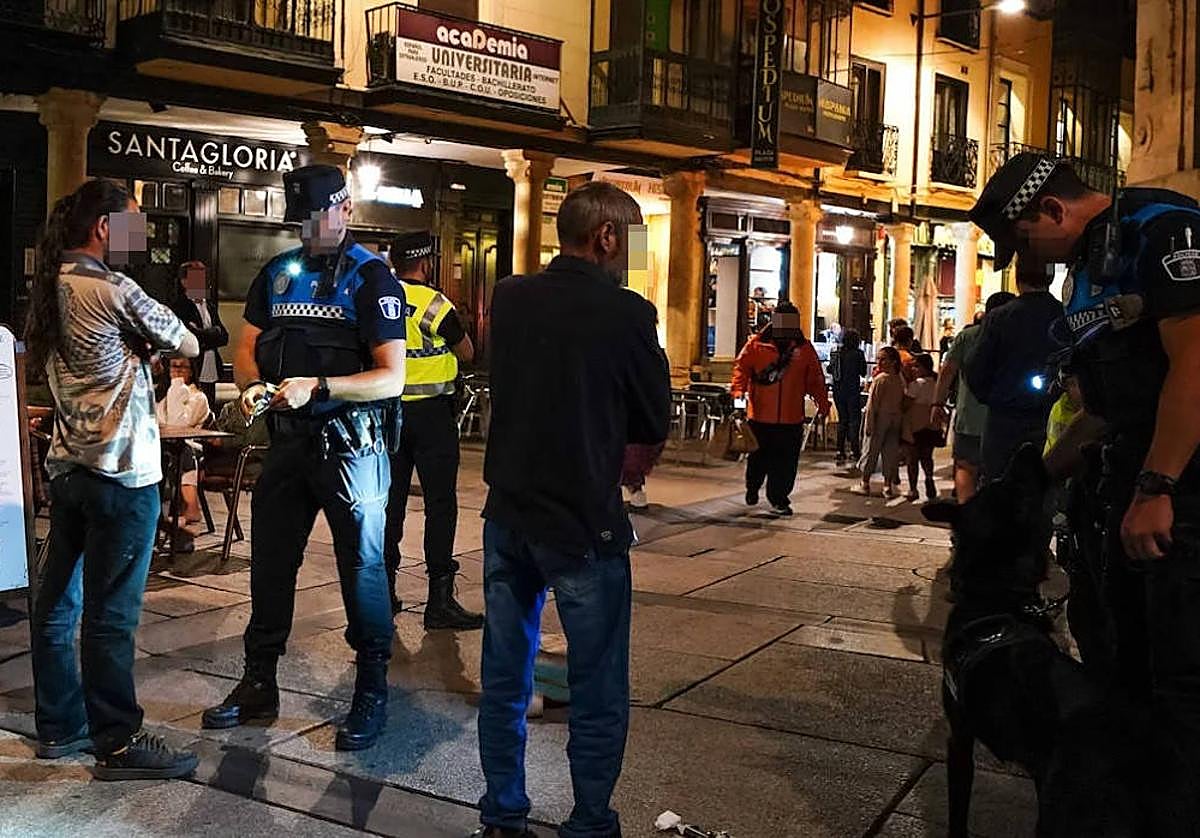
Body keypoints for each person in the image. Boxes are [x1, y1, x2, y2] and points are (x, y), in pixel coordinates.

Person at [973, 152, 1200, 769]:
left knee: (1180, 672)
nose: (1033, 259)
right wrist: (1041, 471)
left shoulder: (1161, 229)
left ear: (1052, 208)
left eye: (1027, 242)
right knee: (1122, 653)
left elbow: (1194, 362)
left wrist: (1159, 486)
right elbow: (1107, 403)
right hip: (1128, 472)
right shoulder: (1084, 270)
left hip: (1183, 480)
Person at [475, 181, 670, 838]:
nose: (633, 253)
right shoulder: (626, 314)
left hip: (508, 515)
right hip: (584, 521)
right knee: (597, 687)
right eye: (634, 237)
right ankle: (588, 821)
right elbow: (652, 415)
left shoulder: (510, 296)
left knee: (505, 676)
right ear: (607, 236)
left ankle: (503, 813)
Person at [201, 165, 407, 752]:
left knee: (363, 572)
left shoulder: (372, 279)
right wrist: (249, 387)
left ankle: (371, 688)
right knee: (269, 564)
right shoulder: (279, 273)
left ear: (344, 208)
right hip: (288, 445)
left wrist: (319, 385)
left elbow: (391, 378)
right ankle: (259, 681)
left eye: (319, 217)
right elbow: (246, 347)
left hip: (352, 448)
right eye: (302, 221)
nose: (310, 230)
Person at [25, 178, 200, 779]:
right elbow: (187, 340)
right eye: (135, 222)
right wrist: (142, 343)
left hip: (69, 468)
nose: (142, 234)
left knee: (55, 606)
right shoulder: (112, 286)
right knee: (110, 616)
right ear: (105, 227)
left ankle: (59, 726)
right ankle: (119, 741)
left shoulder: (49, 286)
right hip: (122, 473)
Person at [383, 230, 482, 630]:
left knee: (390, 504)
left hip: (389, 413)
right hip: (433, 417)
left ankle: (383, 594)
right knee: (440, 505)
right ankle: (439, 601)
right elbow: (467, 352)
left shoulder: (381, 299)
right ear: (425, 263)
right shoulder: (434, 302)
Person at [964, 256, 1063, 485]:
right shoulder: (1063, 314)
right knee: (1044, 483)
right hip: (1050, 415)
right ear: (1050, 277)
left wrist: (992, 396)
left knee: (999, 483)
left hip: (1005, 417)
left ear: (1018, 278)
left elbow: (975, 366)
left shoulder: (1001, 316)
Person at [731, 301, 832, 517]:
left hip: (791, 418)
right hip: (760, 416)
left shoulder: (804, 349)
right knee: (758, 459)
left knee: (785, 463)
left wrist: (823, 404)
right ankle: (753, 486)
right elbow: (741, 369)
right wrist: (738, 394)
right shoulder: (756, 345)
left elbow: (815, 379)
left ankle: (779, 498)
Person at [932, 291, 1016, 503]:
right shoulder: (1017, 338)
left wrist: (937, 403)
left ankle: (966, 514)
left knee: (966, 467)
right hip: (1005, 419)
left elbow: (947, 372)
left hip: (969, 418)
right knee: (1002, 472)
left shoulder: (967, 336)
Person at [155, 355, 211, 528]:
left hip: (192, 447)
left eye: (183, 367)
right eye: (174, 366)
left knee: (181, 447)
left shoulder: (198, 397)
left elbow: (177, 424)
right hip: (161, 443)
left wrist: (177, 385)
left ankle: (190, 505)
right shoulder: (161, 394)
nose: (177, 370)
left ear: (192, 372)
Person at [171, 261, 227, 406]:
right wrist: (212, 333)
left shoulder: (209, 305)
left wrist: (204, 334)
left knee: (210, 408)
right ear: (185, 282)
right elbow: (190, 339)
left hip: (211, 367)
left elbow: (224, 337)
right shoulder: (180, 307)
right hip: (194, 367)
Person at [858, 346, 906, 498]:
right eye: (878, 358)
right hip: (895, 419)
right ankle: (887, 485)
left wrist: (869, 424)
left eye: (883, 359)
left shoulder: (881, 379)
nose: (879, 362)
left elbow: (872, 404)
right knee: (889, 452)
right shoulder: (900, 378)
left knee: (871, 450)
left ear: (892, 361)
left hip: (880, 419)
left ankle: (865, 482)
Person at [902, 353, 940, 502]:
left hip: (915, 424)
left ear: (924, 367)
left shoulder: (916, 385)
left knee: (912, 458)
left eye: (916, 366)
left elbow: (906, 405)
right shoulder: (936, 383)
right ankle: (929, 479)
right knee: (927, 456)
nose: (913, 369)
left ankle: (913, 488)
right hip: (931, 425)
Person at [829, 328, 867, 467]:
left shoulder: (837, 353)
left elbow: (829, 369)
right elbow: (863, 372)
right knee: (854, 420)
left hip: (838, 390)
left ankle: (840, 450)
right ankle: (854, 449)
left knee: (842, 419)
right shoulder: (858, 354)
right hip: (852, 390)